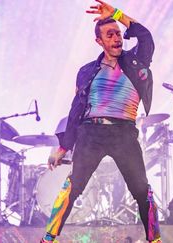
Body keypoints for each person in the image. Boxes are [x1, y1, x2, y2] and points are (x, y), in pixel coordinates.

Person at [40, 0, 161, 242]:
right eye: (110, 34)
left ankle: (155, 240)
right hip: (91, 134)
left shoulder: (136, 61)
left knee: (141, 190)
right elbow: (76, 112)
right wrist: (63, 147)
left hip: (124, 133)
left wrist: (117, 14)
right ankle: (48, 239)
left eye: (118, 33)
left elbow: (145, 37)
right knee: (72, 188)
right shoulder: (86, 71)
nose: (117, 38)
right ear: (99, 41)